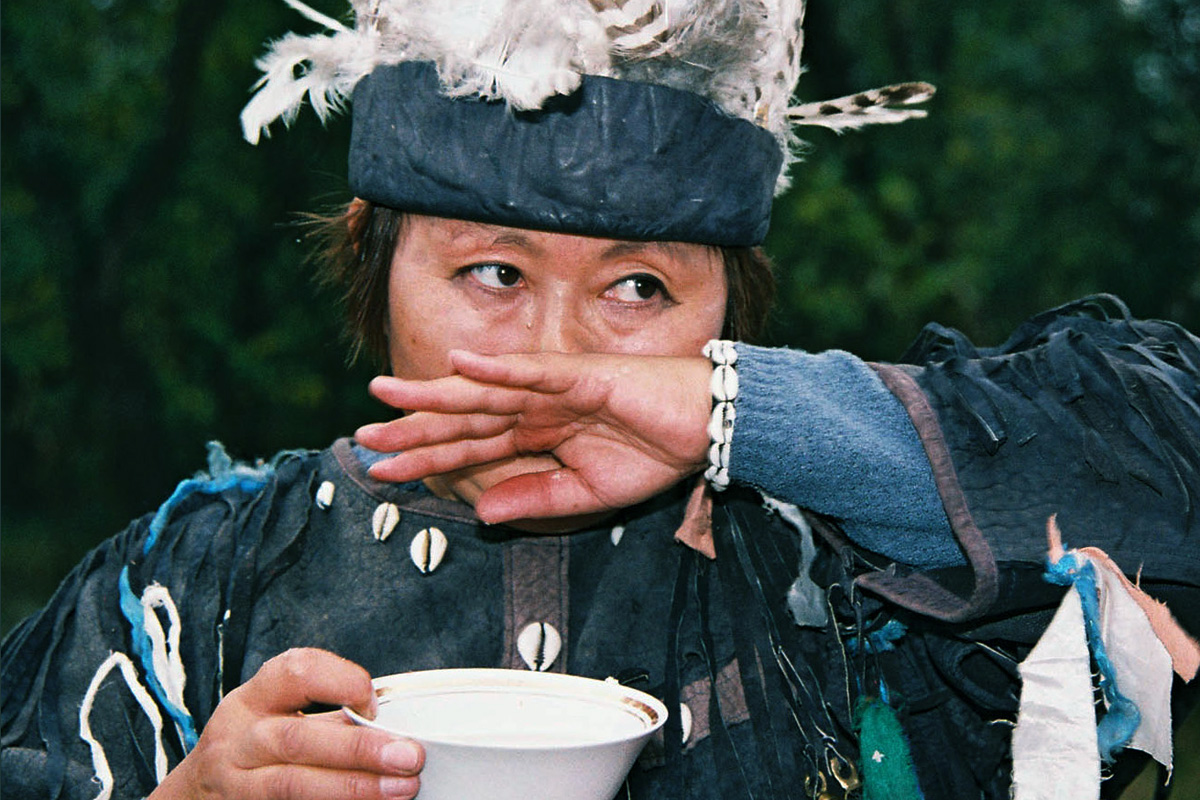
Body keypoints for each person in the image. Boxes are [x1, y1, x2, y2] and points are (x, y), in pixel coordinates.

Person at [4, 2, 1199, 799]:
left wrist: (745, 416)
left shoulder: (846, 586)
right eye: (492, 271)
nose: (560, 356)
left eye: (640, 286)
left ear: (731, 312)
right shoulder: (192, 584)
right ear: (377, 268)